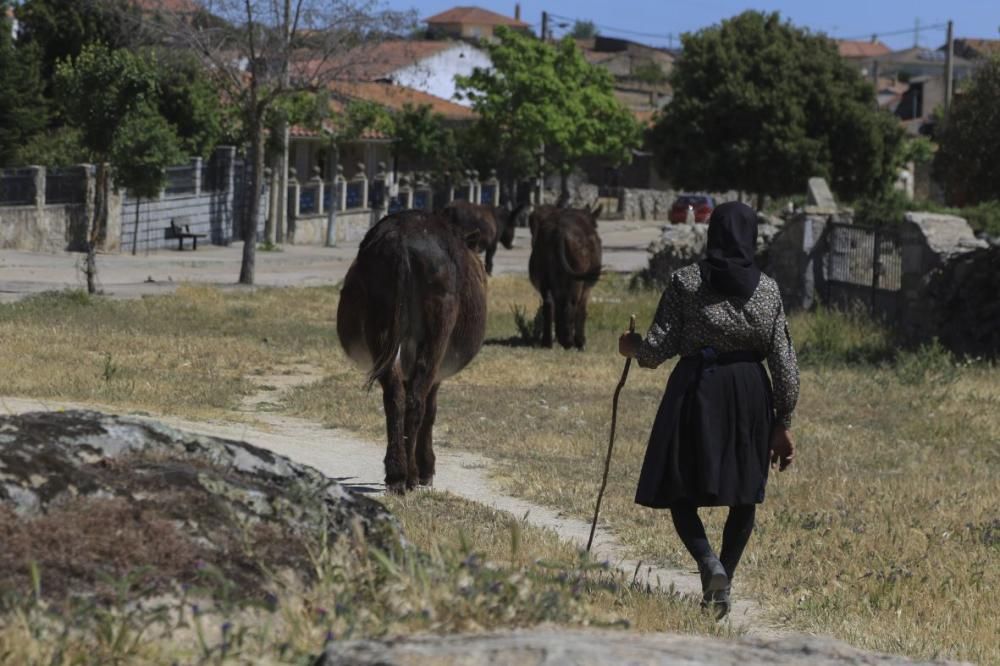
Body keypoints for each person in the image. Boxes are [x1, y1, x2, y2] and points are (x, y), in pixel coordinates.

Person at [618, 201, 799, 618]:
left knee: (677, 485)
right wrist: (783, 422)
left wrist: (632, 348)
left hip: (697, 388)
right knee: (744, 496)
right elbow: (786, 364)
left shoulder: (686, 282)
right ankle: (724, 583)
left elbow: (656, 350)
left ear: (712, 233)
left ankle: (708, 564)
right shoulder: (769, 289)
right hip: (751, 392)